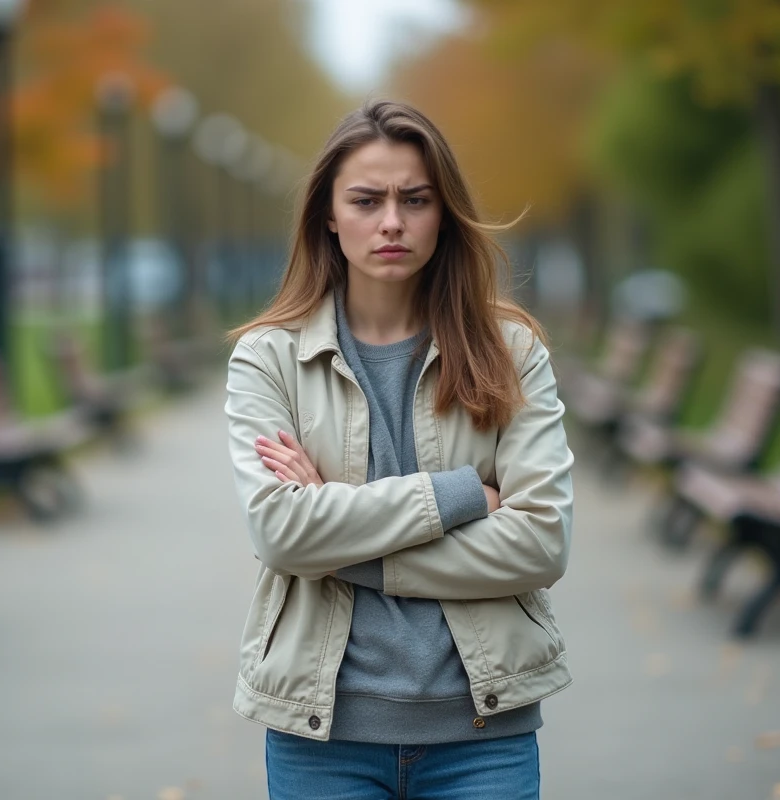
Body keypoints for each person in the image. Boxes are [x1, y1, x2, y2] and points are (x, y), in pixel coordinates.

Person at [224, 100, 575, 800]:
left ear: (443, 214)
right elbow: (281, 531)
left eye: (415, 199)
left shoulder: (511, 352)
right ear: (328, 214)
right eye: (366, 200)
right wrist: (463, 497)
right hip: (323, 740)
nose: (392, 221)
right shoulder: (269, 358)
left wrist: (334, 528)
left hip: (484, 736)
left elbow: (540, 544)